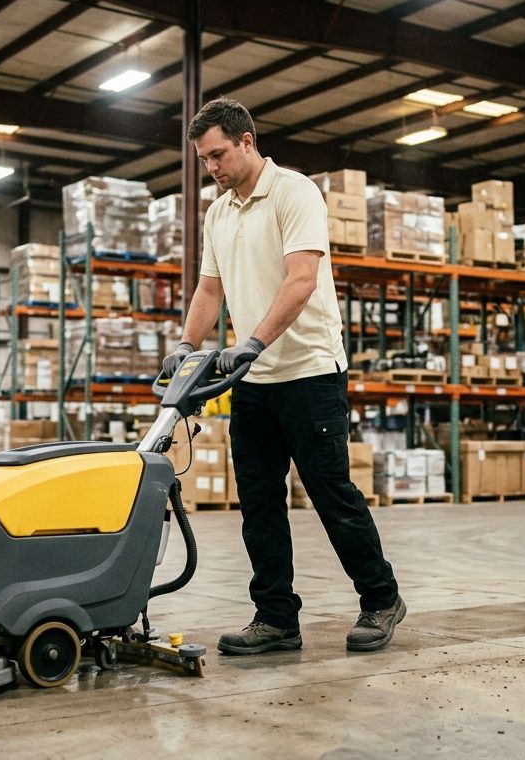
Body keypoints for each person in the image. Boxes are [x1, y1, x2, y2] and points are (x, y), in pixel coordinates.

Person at [161, 97, 404, 655]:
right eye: (204, 160)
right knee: (259, 502)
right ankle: (276, 617)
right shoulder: (219, 212)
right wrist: (186, 345)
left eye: (218, 155)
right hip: (251, 382)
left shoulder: (295, 193)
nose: (213, 168)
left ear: (247, 141)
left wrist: (252, 342)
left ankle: (381, 599)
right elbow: (209, 289)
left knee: (330, 494)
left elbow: (300, 279)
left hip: (308, 372)